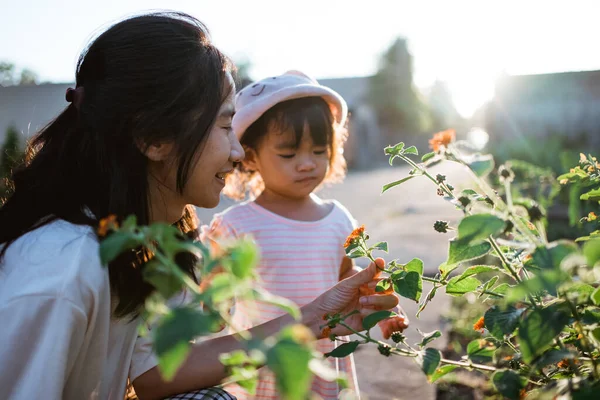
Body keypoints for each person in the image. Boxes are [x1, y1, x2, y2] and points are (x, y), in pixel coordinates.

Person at [0, 12, 399, 400]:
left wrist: (316, 318)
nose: (238, 151)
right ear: (154, 137)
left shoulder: (147, 241)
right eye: (226, 127)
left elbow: (156, 373)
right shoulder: (58, 271)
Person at [201, 71, 409, 399]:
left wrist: (374, 302)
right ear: (251, 156)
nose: (306, 164)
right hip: (263, 371)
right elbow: (211, 310)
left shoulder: (338, 219)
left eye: (319, 150)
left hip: (324, 366)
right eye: (289, 154)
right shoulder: (235, 226)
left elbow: (344, 276)